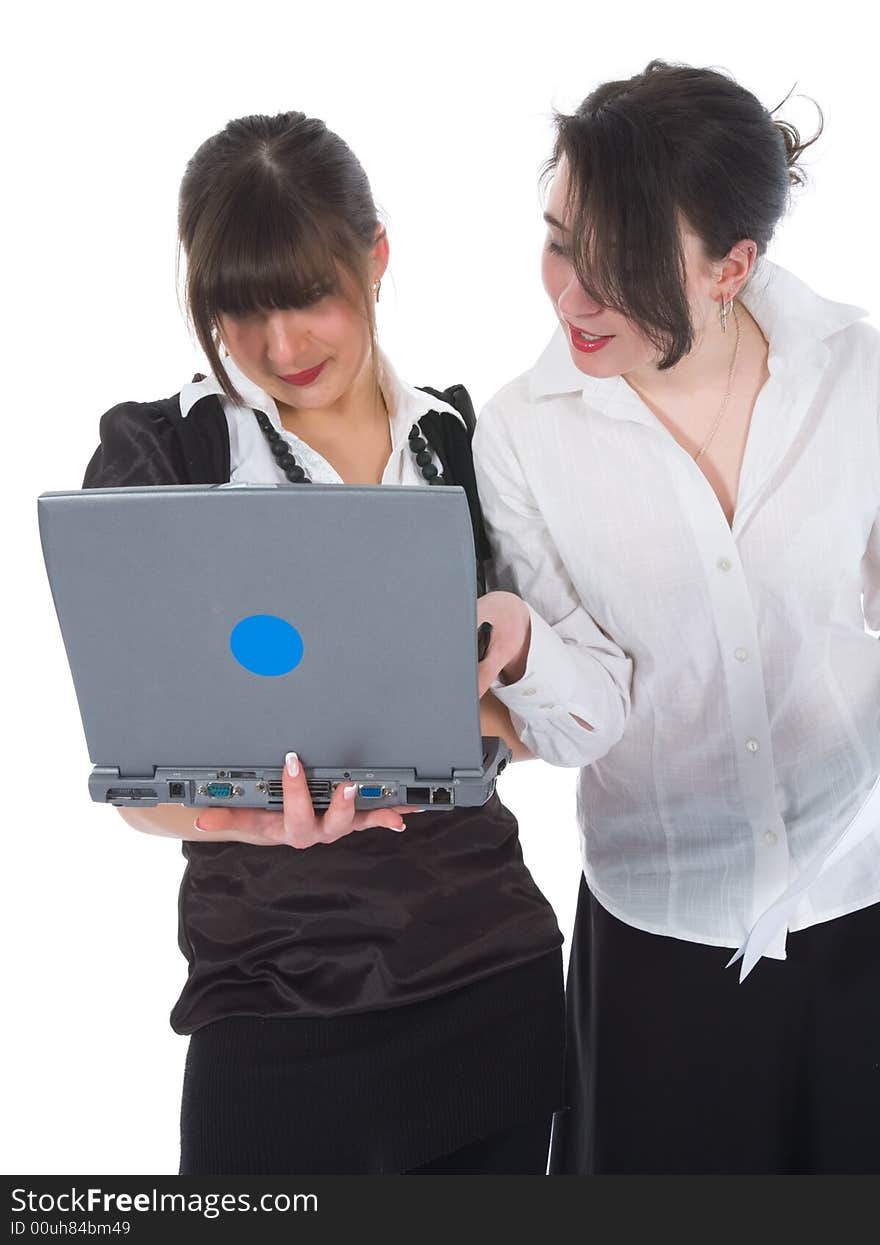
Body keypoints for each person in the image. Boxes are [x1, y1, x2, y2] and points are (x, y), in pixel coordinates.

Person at [82, 111, 565, 1176]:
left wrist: (503, 680)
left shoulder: (466, 442)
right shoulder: (162, 454)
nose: (282, 348)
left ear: (377, 260)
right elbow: (138, 770)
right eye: (238, 311)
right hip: (271, 990)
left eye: (309, 296)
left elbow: (548, 716)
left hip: (487, 975)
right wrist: (250, 827)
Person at [471, 61, 880, 1174]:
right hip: (661, 941)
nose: (569, 298)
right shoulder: (521, 433)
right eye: (558, 241)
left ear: (731, 268)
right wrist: (521, 646)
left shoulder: (859, 374)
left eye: (617, 269)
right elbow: (588, 719)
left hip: (862, 900)